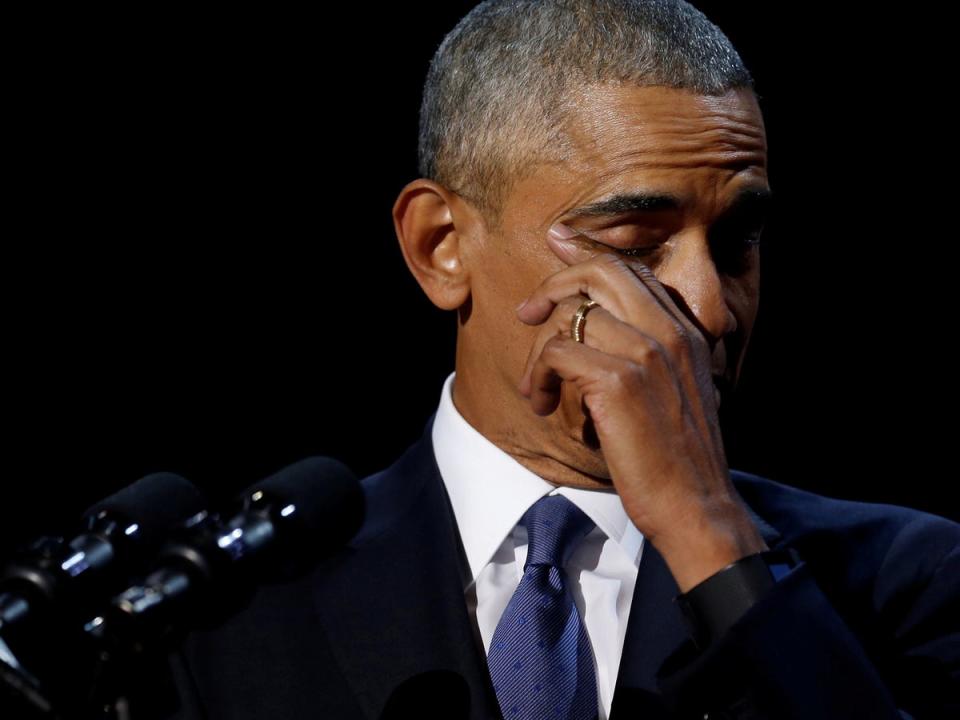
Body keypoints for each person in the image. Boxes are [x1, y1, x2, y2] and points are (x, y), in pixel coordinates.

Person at [164, 1, 959, 718]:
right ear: (440, 246)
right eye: (635, 246)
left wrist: (708, 532)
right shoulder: (229, 607)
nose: (711, 310)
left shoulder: (910, 579)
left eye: (737, 242)